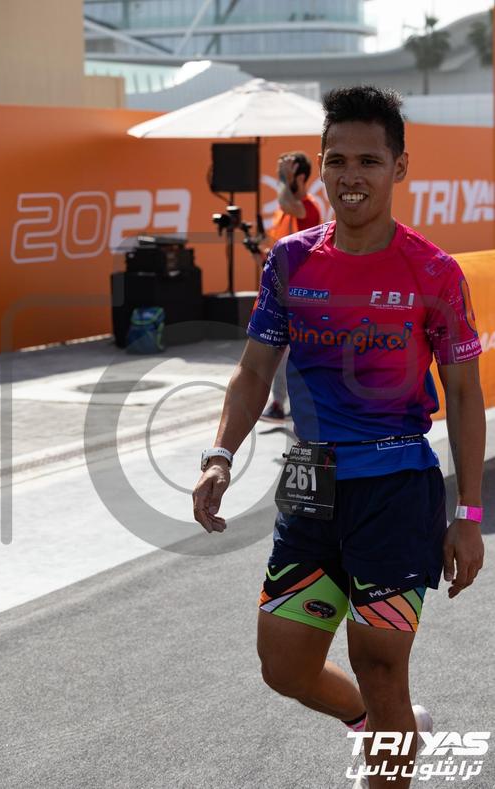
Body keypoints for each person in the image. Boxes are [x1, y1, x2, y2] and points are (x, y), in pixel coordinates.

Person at [193, 86, 485, 788]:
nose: (351, 176)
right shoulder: (290, 261)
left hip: (396, 490)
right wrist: (220, 455)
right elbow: (254, 369)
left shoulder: (434, 272)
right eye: (337, 161)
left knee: (380, 667)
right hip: (311, 486)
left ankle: (387, 739)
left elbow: (464, 393)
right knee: (284, 665)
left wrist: (469, 513)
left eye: (369, 161)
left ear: (399, 167)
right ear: (320, 166)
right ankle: (381, 723)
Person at [254, 151, 321, 423]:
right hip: (281, 287)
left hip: (300, 290)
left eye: (288, 174)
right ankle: (283, 404)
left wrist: (282, 177)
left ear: (301, 177)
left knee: (287, 352)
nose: (281, 178)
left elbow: (285, 201)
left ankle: (283, 404)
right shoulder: (285, 210)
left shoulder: (308, 207)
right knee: (282, 351)